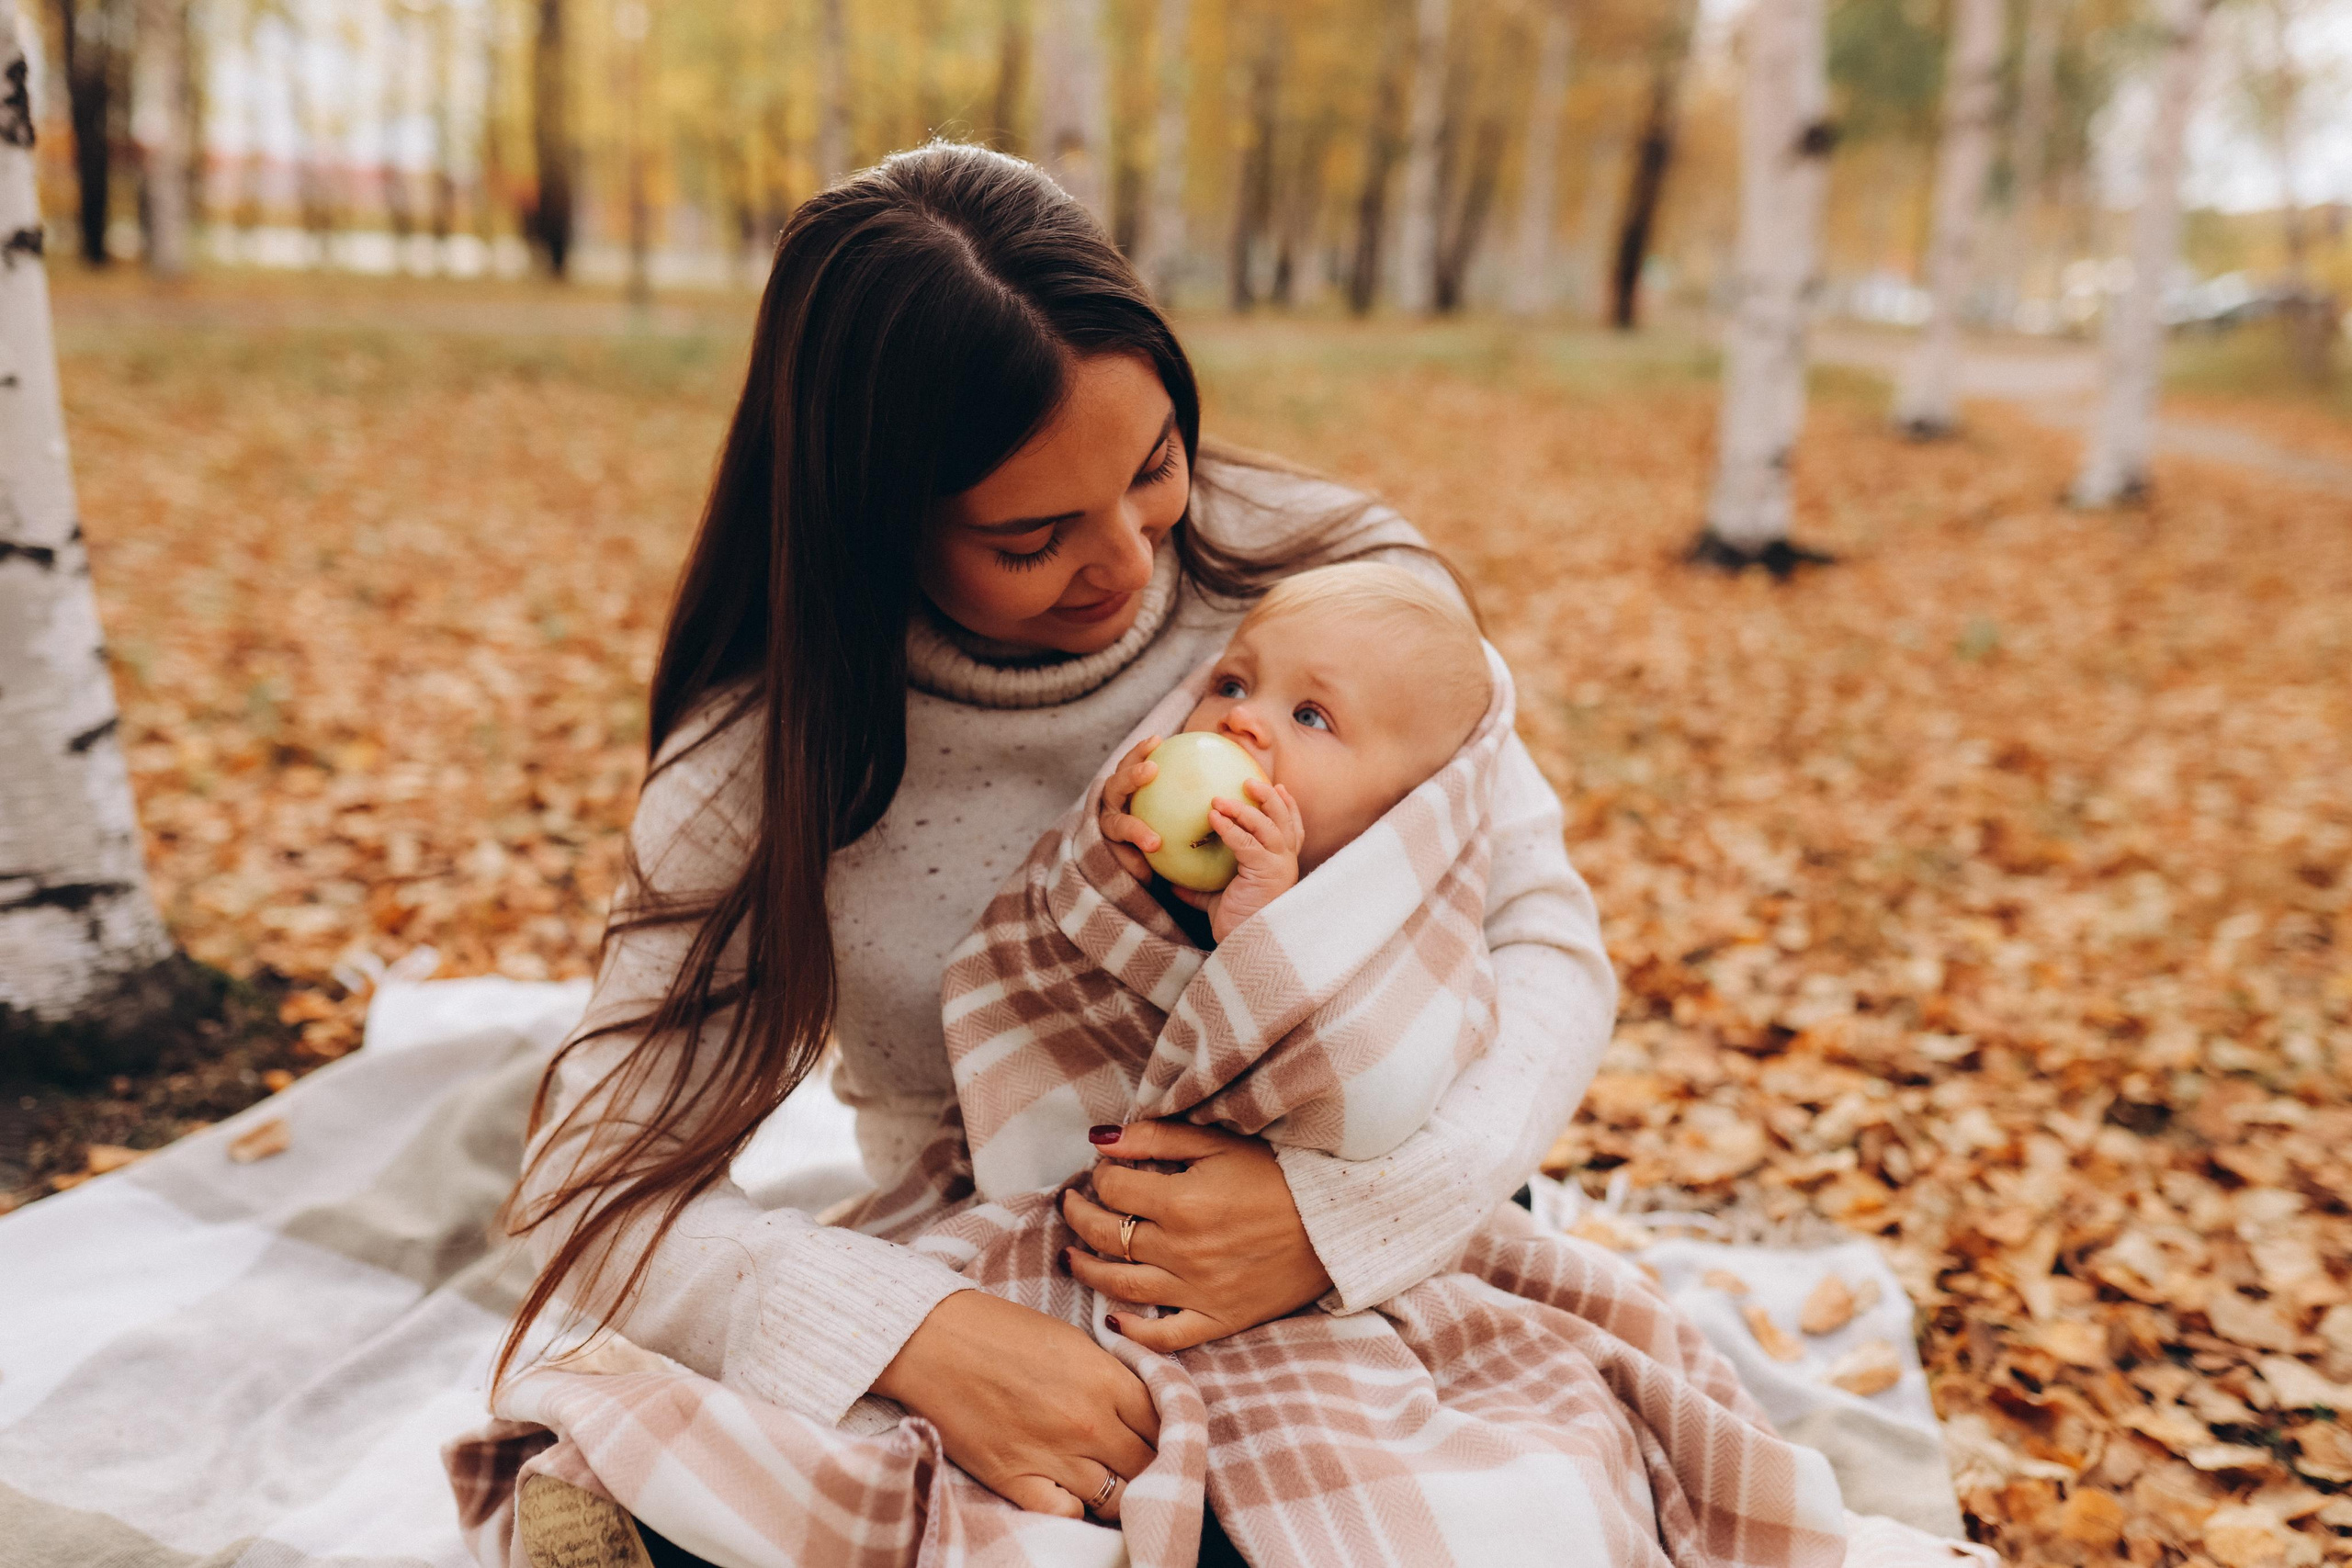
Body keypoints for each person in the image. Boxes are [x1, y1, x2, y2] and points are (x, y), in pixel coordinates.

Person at [495, 142, 1615, 1561]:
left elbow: (1541, 938)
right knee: (901, 1499)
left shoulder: (1334, 600)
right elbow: (590, 1171)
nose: (1133, 564)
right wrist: (915, 1332)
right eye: (1033, 539)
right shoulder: (764, 756)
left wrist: (1347, 1216)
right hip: (1004, 1244)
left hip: (1383, 1182)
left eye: (1156, 468)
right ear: (871, 521)